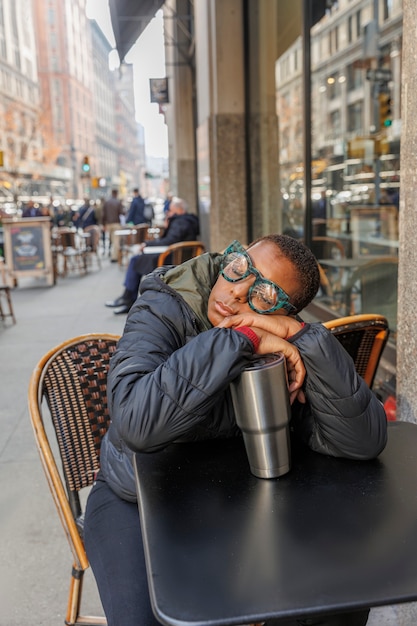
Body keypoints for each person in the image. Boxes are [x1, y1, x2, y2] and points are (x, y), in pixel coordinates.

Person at [84, 234, 387, 626]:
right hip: (136, 500)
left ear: (287, 313)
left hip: (236, 504)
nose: (236, 292)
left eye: (263, 295)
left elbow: (363, 442)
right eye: (239, 268)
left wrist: (305, 338)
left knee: (331, 595)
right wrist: (241, 336)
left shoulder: (288, 341)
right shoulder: (162, 306)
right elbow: (136, 422)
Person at [105, 196, 200, 314]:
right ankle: (127, 297)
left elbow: (169, 240)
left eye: (170, 210)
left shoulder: (180, 221)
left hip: (171, 260)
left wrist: (148, 244)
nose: (168, 213)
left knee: (136, 259)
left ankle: (128, 298)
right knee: (138, 259)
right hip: (176, 256)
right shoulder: (187, 220)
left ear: (179, 210)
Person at [102, 189, 124, 262]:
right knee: (116, 241)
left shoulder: (107, 202)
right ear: (116, 194)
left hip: (109, 224)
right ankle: (116, 257)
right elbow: (122, 212)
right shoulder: (117, 202)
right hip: (116, 223)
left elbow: (103, 215)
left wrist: (104, 224)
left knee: (112, 240)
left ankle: (114, 255)